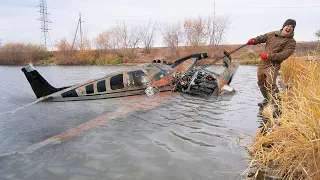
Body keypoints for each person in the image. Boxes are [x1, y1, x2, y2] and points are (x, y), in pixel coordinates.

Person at [247, 19, 296, 107]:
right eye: (288, 26)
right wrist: (254, 40)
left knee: (270, 84)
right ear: (284, 26)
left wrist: (268, 56)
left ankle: (278, 106)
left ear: (293, 30)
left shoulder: (291, 42)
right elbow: (262, 37)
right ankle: (267, 100)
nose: (289, 28)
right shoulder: (273, 34)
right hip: (263, 63)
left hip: (274, 64)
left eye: (292, 27)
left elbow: (284, 55)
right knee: (261, 82)